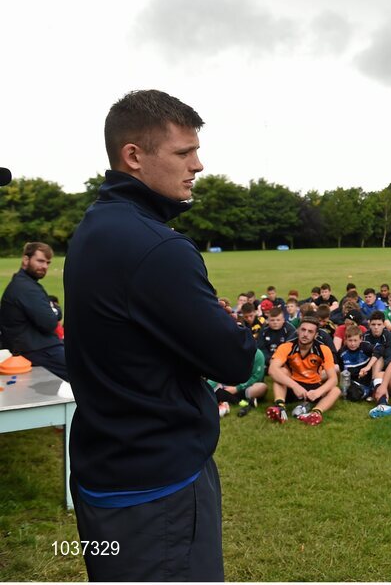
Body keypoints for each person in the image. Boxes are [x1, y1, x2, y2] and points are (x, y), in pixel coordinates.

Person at [64, 89, 254, 580]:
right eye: (183, 152)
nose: (199, 164)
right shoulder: (157, 247)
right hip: (157, 490)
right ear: (134, 156)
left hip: (106, 470)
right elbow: (235, 361)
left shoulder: (95, 226)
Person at [0, 241, 67, 380]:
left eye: (48, 263)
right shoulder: (26, 288)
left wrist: (52, 309)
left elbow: (52, 315)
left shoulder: (26, 284)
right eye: (40, 261)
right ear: (26, 259)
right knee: (86, 370)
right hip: (38, 351)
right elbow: (49, 323)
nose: (44, 266)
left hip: (40, 347)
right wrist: (53, 309)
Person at [266, 317, 341, 425]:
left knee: (336, 390)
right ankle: (280, 407)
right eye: (303, 330)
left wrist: (318, 392)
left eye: (310, 331)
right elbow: (272, 370)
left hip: (313, 386)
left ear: (315, 335)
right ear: (298, 331)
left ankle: (315, 413)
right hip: (292, 385)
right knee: (280, 372)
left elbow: (333, 379)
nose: (305, 334)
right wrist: (295, 386)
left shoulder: (323, 349)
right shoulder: (286, 346)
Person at [208, 349, 269, 418]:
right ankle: (227, 400)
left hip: (246, 388)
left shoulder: (257, 354)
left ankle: (226, 399)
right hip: (226, 387)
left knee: (262, 387)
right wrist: (207, 388)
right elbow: (217, 374)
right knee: (212, 386)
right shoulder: (227, 352)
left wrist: (237, 388)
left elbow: (257, 377)